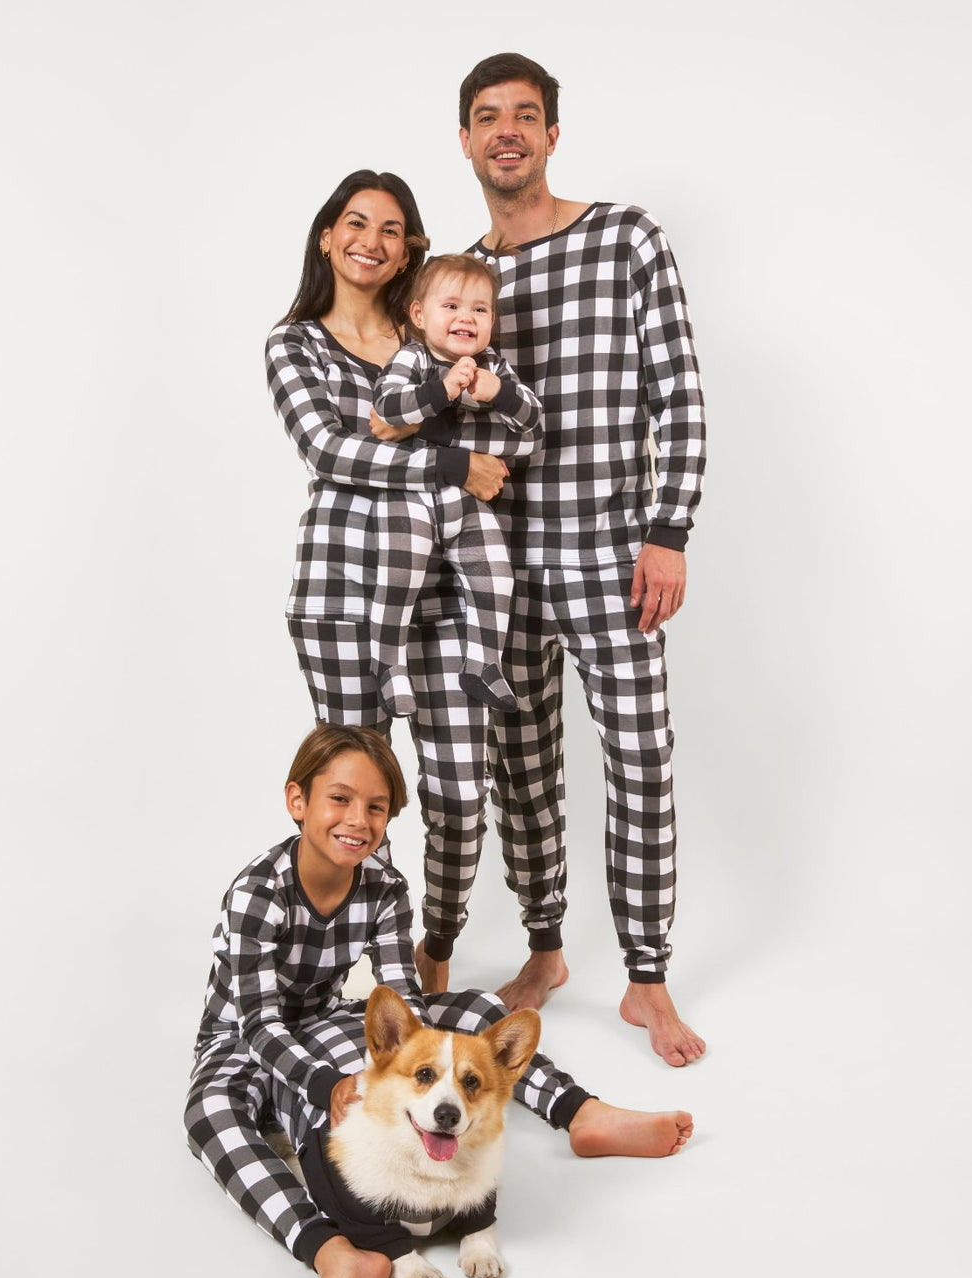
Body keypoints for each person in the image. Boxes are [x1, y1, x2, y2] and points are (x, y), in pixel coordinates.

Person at [184, 724, 695, 1278]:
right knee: (207, 1113)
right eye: (339, 799)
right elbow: (260, 1022)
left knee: (479, 1007)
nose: (357, 820)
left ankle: (580, 1113)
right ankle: (334, 1253)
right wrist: (328, 1082)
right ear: (299, 802)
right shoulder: (257, 895)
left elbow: (410, 1007)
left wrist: (401, 1059)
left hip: (332, 1016)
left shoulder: (384, 887)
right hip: (242, 1036)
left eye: (375, 808)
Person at [449, 53, 709, 1067]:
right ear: (465, 141)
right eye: (486, 117)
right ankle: (546, 950)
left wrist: (669, 527)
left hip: (612, 554)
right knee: (522, 769)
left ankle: (647, 979)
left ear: (553, 134)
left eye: (525, 116)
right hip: (498, 564)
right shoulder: (463, 279)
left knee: (639, 757)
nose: (506, 131)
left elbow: (676, 388)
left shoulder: (624, 237)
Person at [265, 170, 516, 989]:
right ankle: (335, 972)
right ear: (326, 236)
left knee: (457, 795)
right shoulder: (293, 345)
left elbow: (510, 424)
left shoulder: (434, 339)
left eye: (392, 228)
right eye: (354, 222)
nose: (371, 241)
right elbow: (331, 451)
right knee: (352, 799)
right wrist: (452, 462)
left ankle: (430, 954)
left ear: (410, 246)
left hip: (447, 605)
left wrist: (491, 428)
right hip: (343, 601)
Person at [370, 253, 542, 716]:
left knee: (495, 575)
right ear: (420, 316)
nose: (466, 317)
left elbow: (533, 423)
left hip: (466, 500)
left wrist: (498, 392)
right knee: (400, 576)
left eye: (480, 309)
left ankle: (483, 664)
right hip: (411, 496)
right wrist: (442, 391)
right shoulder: (413, 357)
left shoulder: (493, 366)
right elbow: (385, 414)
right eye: (451, 306)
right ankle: (388, 664)